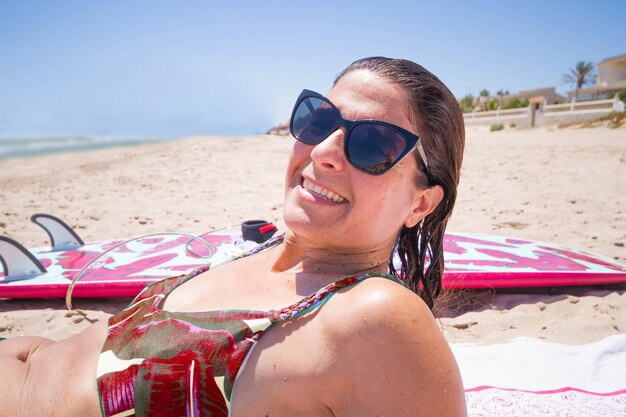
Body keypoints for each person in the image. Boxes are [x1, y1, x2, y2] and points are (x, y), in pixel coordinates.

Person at [0, 56, 466, 417]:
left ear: (421, 203)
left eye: (373, 144)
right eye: (318, 120)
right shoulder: (264, 254)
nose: (323, 150)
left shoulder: (376, 316)